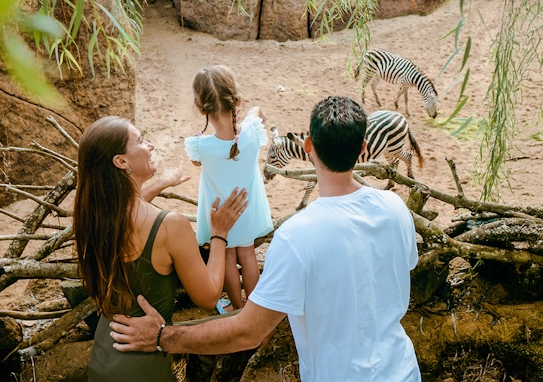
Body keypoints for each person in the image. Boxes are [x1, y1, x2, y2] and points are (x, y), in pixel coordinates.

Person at [109, 96, 422, 381]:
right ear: (364, 148)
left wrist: (164, 336)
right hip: (405, 371)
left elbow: (249, 332)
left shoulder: (298, 235)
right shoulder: (396, 208)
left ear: (309, 146)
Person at [73, 115, 249, 381]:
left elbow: (129, 207)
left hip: (103, 359)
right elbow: (210, 296)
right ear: (121, 162)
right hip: (143, 368)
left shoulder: (92, 218)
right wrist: (219, 233)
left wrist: (161, 183)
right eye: (141, 141)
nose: (151, 145)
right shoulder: (170, 226)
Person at [184, 65, 273, 313]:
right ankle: (256, 310)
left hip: (221, 217)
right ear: (237, 101)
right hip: (247, 210)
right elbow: (257, 113)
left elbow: (196, 161)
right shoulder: (253, 132)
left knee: (228, 258)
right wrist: (254, 112)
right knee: (248, 256)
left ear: (201, 108)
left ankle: (236, 307)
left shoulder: (200, 147)